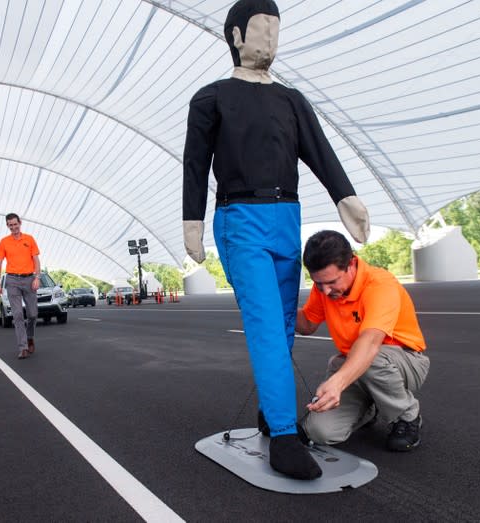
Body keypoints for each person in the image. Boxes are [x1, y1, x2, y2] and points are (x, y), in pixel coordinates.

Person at [182, 0, 370, 480]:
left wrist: (346, 197)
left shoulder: (292, 100)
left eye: (276, 29)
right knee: (267, 324)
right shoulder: (212, 98)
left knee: (285, 324)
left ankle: (272, 411)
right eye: (260, 29)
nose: (270, 38)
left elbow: (321, 153)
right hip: (239, 218)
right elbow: (195, 164)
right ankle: (284, 437)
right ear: (236, 37)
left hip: (287, 216)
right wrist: (192, 222)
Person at [297, 230, 430, 451]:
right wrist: (278, 306)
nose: (325, 290)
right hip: (357, 367)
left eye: (331, 282)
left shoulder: (379, 284)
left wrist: (337, 384)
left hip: (404, 361)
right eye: (318, 284)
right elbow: (307, 325)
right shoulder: (323, 288)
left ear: (350, 265)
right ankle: (368, 409)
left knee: (371, 358)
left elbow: (370, 342)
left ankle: (407, 417)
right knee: (319, 432)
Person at [0, 213, 41, 360]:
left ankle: (30, 337)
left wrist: (37, 277)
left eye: (15, 224)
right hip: (12, 280)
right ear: (7, 225)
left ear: (20, 223)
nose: (13, 227)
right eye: (10, 225)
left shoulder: (29, 239)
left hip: (29, 279)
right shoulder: (4, 242)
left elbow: (36, 260)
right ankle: (23, 347)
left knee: (33, 314)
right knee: (18, 315)